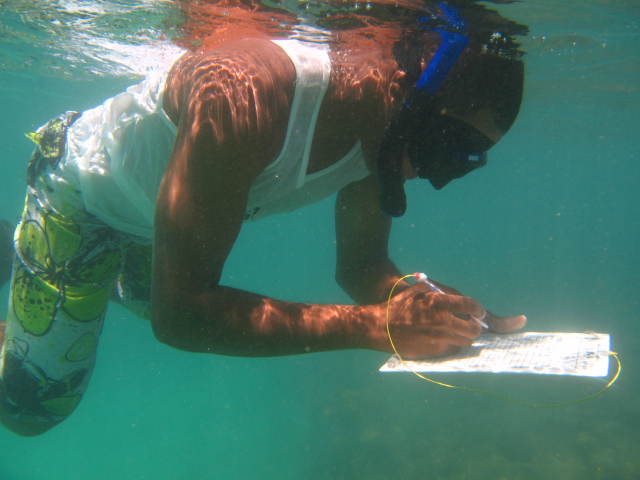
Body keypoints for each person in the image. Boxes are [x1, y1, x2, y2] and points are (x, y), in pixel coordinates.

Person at [0, 0, 527, 436]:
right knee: (32, 408)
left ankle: (18, 256)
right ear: (404, 91)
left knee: (134, 291)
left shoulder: (389, 132)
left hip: (152, 225)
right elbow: (180, 314)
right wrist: (376, 326)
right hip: (82, 198)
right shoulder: (247, 91)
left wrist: (427, 303)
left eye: (468, 162)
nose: (439, 176)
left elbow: (363, 267)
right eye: (449, 147)